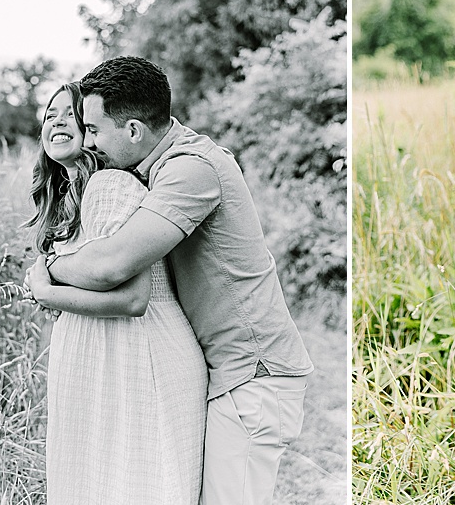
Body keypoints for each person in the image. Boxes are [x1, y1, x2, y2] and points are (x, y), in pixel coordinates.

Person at [41, 56, 313, 505]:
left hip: (254, 378)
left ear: (132, 131)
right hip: (231, 375)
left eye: (93, 129)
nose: (89, 141)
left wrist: (48, 271)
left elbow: (114, 265)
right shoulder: (162, 166)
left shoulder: (191, 169)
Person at [23, 82, 207, 505]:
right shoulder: (72, 195)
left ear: (92, 130)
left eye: (71, 114)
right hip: (101, 356)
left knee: (132, 486)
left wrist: (47, 292)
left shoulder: (109, 186)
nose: (58, 123)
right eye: (49, 115)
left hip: (135, 354)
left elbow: (132, 299)